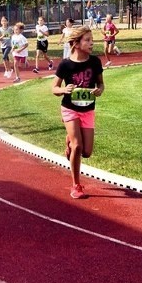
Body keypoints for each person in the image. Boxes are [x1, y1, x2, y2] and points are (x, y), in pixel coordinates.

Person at [52, 25, 104, 199]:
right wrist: (64, 89)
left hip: (88, 109)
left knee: (87, 152)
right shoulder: (66, 64)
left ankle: (69, 140)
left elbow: (101, 84)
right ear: (76, 43)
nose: (91, 43)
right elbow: (54, 88)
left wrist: (99, 90)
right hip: (70, 108)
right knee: (78, 146)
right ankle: (76, 185)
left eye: (92, 40)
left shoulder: (95, 62)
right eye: (87, 40)